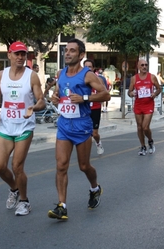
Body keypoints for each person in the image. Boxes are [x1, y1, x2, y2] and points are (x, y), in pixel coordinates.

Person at [47, 38, 110, 220]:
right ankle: (62, 206)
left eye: (72, 51)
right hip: (65, 125)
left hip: (82, 126)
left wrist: (85, 98)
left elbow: (105, 94)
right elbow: (59, 93)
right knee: (61, 165)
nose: (67, 53)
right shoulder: (61, 73)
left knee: (84, 166)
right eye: (66, 50)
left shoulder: (88, 75)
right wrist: (55, 98)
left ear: (81, 55)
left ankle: (95, 188)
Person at [0, 41, 45, 216]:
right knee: (0, 166)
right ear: (9, 55)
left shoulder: (32, 76)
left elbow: (41, 101)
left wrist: (33, 108)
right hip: (6, 126)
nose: (20, 57)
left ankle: (24, 201)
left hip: (24, 127)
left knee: (17, 166)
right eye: (17, 54)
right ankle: (14, 188)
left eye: (23, 54)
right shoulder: (2, 74)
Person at [128, 59, 162, 156]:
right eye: (142, 65)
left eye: (146, 65)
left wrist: (155, 94)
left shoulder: (152, 77)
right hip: (138, 105)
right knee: (139, 127)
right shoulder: (134, 78)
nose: (144, 67)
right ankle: (143, 146)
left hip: (148, 104)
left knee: (145, 127)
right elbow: (129, 91)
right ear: (138, 66)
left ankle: (150, 141)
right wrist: (131, 93)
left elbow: (159, 89)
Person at [84, 59, 107, 155]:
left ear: (93, 68)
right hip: (84, 108)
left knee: (94, 133)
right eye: (86, 66)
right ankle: (85, 152)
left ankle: (98, 143)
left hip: (95, 108)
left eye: (90, 67)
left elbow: (105, 94)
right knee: (85, 133)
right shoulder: (81, 79)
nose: (88, 68)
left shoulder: (99, 79)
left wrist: (97, 98)